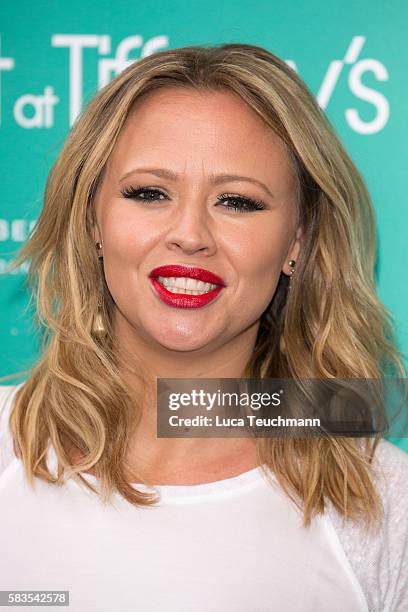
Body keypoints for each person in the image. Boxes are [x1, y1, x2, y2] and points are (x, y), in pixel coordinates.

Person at [0, 43, 407, 612]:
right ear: (92, 217)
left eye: (237, 201)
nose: (190, 234)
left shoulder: (387, 503)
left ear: (297, 241)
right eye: (149, 193)